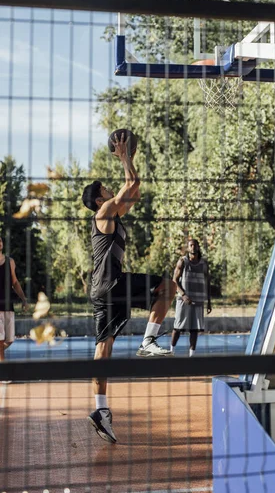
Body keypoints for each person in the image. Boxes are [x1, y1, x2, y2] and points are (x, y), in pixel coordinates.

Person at [82, 133, 177, 444]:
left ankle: (100, 410)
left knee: (103, 351)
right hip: (113, 284)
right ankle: (149, 340)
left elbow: (134, 189)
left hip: (102, 288)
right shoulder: (103, 212)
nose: (110, 189)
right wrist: (124, 157)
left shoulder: (113, 215)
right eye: (105, 190)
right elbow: (128, 185)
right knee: (168, 286)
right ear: (99, 198)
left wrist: (129, 161)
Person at [170, 238, 212, 357]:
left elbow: (208, 282)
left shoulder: (204, 263)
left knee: (194, 329)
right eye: (191, 245)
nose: (193, 247)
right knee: (178, 327)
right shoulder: (182, 261)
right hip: (184, 301)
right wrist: (183, 295)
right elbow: (174, 280)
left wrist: (209, 302)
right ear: (188, 248)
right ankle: (171, 350)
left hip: (198, 301)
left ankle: (191, 355)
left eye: (195, 245)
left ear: (198, 247)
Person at [0, 235, 29, 364]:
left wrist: (23, 299)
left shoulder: (9, 261)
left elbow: (15, 282)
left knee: (9, 340)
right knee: (0, 340)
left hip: (8, 306)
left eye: (0, 241)